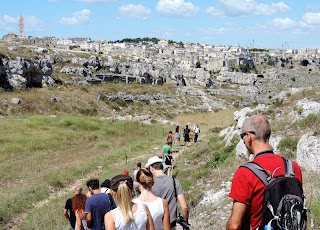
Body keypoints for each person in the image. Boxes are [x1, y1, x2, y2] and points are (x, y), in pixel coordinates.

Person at [226, 115, 303, 230]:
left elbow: (234, 225)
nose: (243, 141)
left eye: (242, 136)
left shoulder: (245, 173)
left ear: (248, 137)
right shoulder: (292, 167)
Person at [146, 156, 189, 229]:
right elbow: (184, 207)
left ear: (151, 168)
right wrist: (185, 222)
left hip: (155, 225)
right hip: (171, 224)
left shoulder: (149, 185)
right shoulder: (174, 181)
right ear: (162, 166)